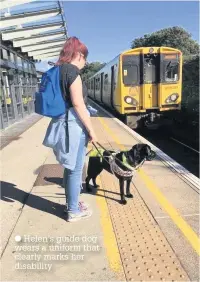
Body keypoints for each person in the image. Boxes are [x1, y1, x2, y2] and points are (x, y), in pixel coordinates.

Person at [43, 37, 98, 222]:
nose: (86, 62)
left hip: (62, 122)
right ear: (79, 55)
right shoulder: (72, 72)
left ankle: (72, 204)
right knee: (75, 169)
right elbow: (78, 103)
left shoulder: (58, 70)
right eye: (86, 57)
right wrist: (92, 130)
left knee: (69, 167)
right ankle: (74, 211)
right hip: (72, 125)